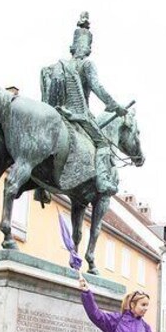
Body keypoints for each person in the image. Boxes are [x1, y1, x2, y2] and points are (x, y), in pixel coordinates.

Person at [41, 11, 128, 196]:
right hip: (79, 115)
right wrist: (114, 105)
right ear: (88, 48)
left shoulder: (59, 66)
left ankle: (40, 190)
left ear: (72, 47)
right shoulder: (86, 65)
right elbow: (97, 86)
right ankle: (104, 180)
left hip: (57, 112)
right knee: (103, 144)